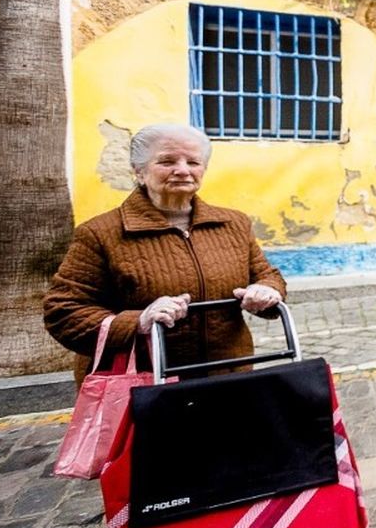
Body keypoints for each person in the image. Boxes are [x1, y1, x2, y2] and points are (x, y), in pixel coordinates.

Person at [45, 124, 287, 381]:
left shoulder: (234, 223)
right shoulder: (99, 233)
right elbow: (63, 311)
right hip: (141, 388)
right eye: (166, 161)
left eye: (193, 162)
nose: (182, 170)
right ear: (139, 172)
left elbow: (267, 275)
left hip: (227, 379)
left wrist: (267, 290)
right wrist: (139, 322)